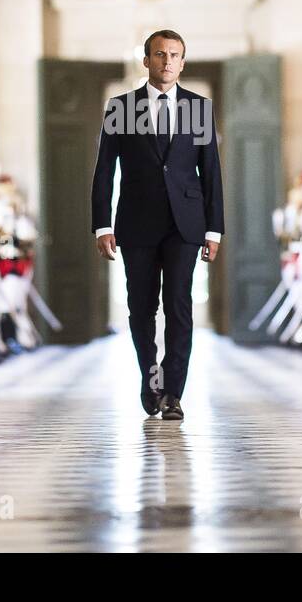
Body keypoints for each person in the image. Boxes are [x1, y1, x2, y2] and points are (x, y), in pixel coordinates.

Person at [91, 29, 224, 420]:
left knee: (179, 307)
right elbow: (103, 172)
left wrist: (213, 230)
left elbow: (211, 173)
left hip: (185, 225)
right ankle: (151, 381)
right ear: (146, 60)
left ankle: (173, 394)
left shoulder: (199, 109)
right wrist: (102, 225)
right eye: (160, 54)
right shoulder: (120, 109)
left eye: (175, 55)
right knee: (141, 308)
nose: (167, 62)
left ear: (182, 62)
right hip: (136, 222)